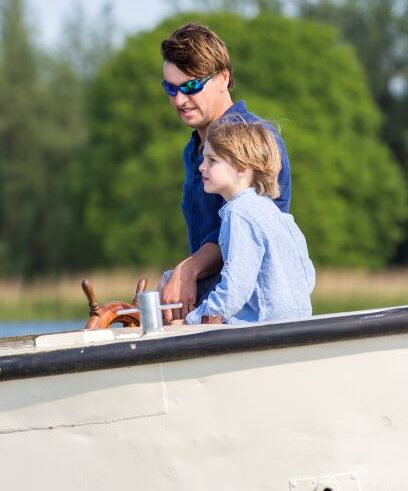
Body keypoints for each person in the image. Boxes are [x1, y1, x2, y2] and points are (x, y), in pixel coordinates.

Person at [159, 22, 291, 323]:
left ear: (223, 78)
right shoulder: (192, 150)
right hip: (207, 315)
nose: (179, 100)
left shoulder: (257, 139)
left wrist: (189, 268)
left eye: (191, 86)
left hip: (250, 318)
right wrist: (178, 278)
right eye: (171, 88)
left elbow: (253, 227)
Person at [183, 117, 315, 324]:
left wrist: (192, 322)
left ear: (242, 168)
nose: (201, 167)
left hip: (260, 328)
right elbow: (306, 275)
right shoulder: (273, 211)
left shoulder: (239, 213)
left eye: (212, 160)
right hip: (298, 323)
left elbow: (235, 288)